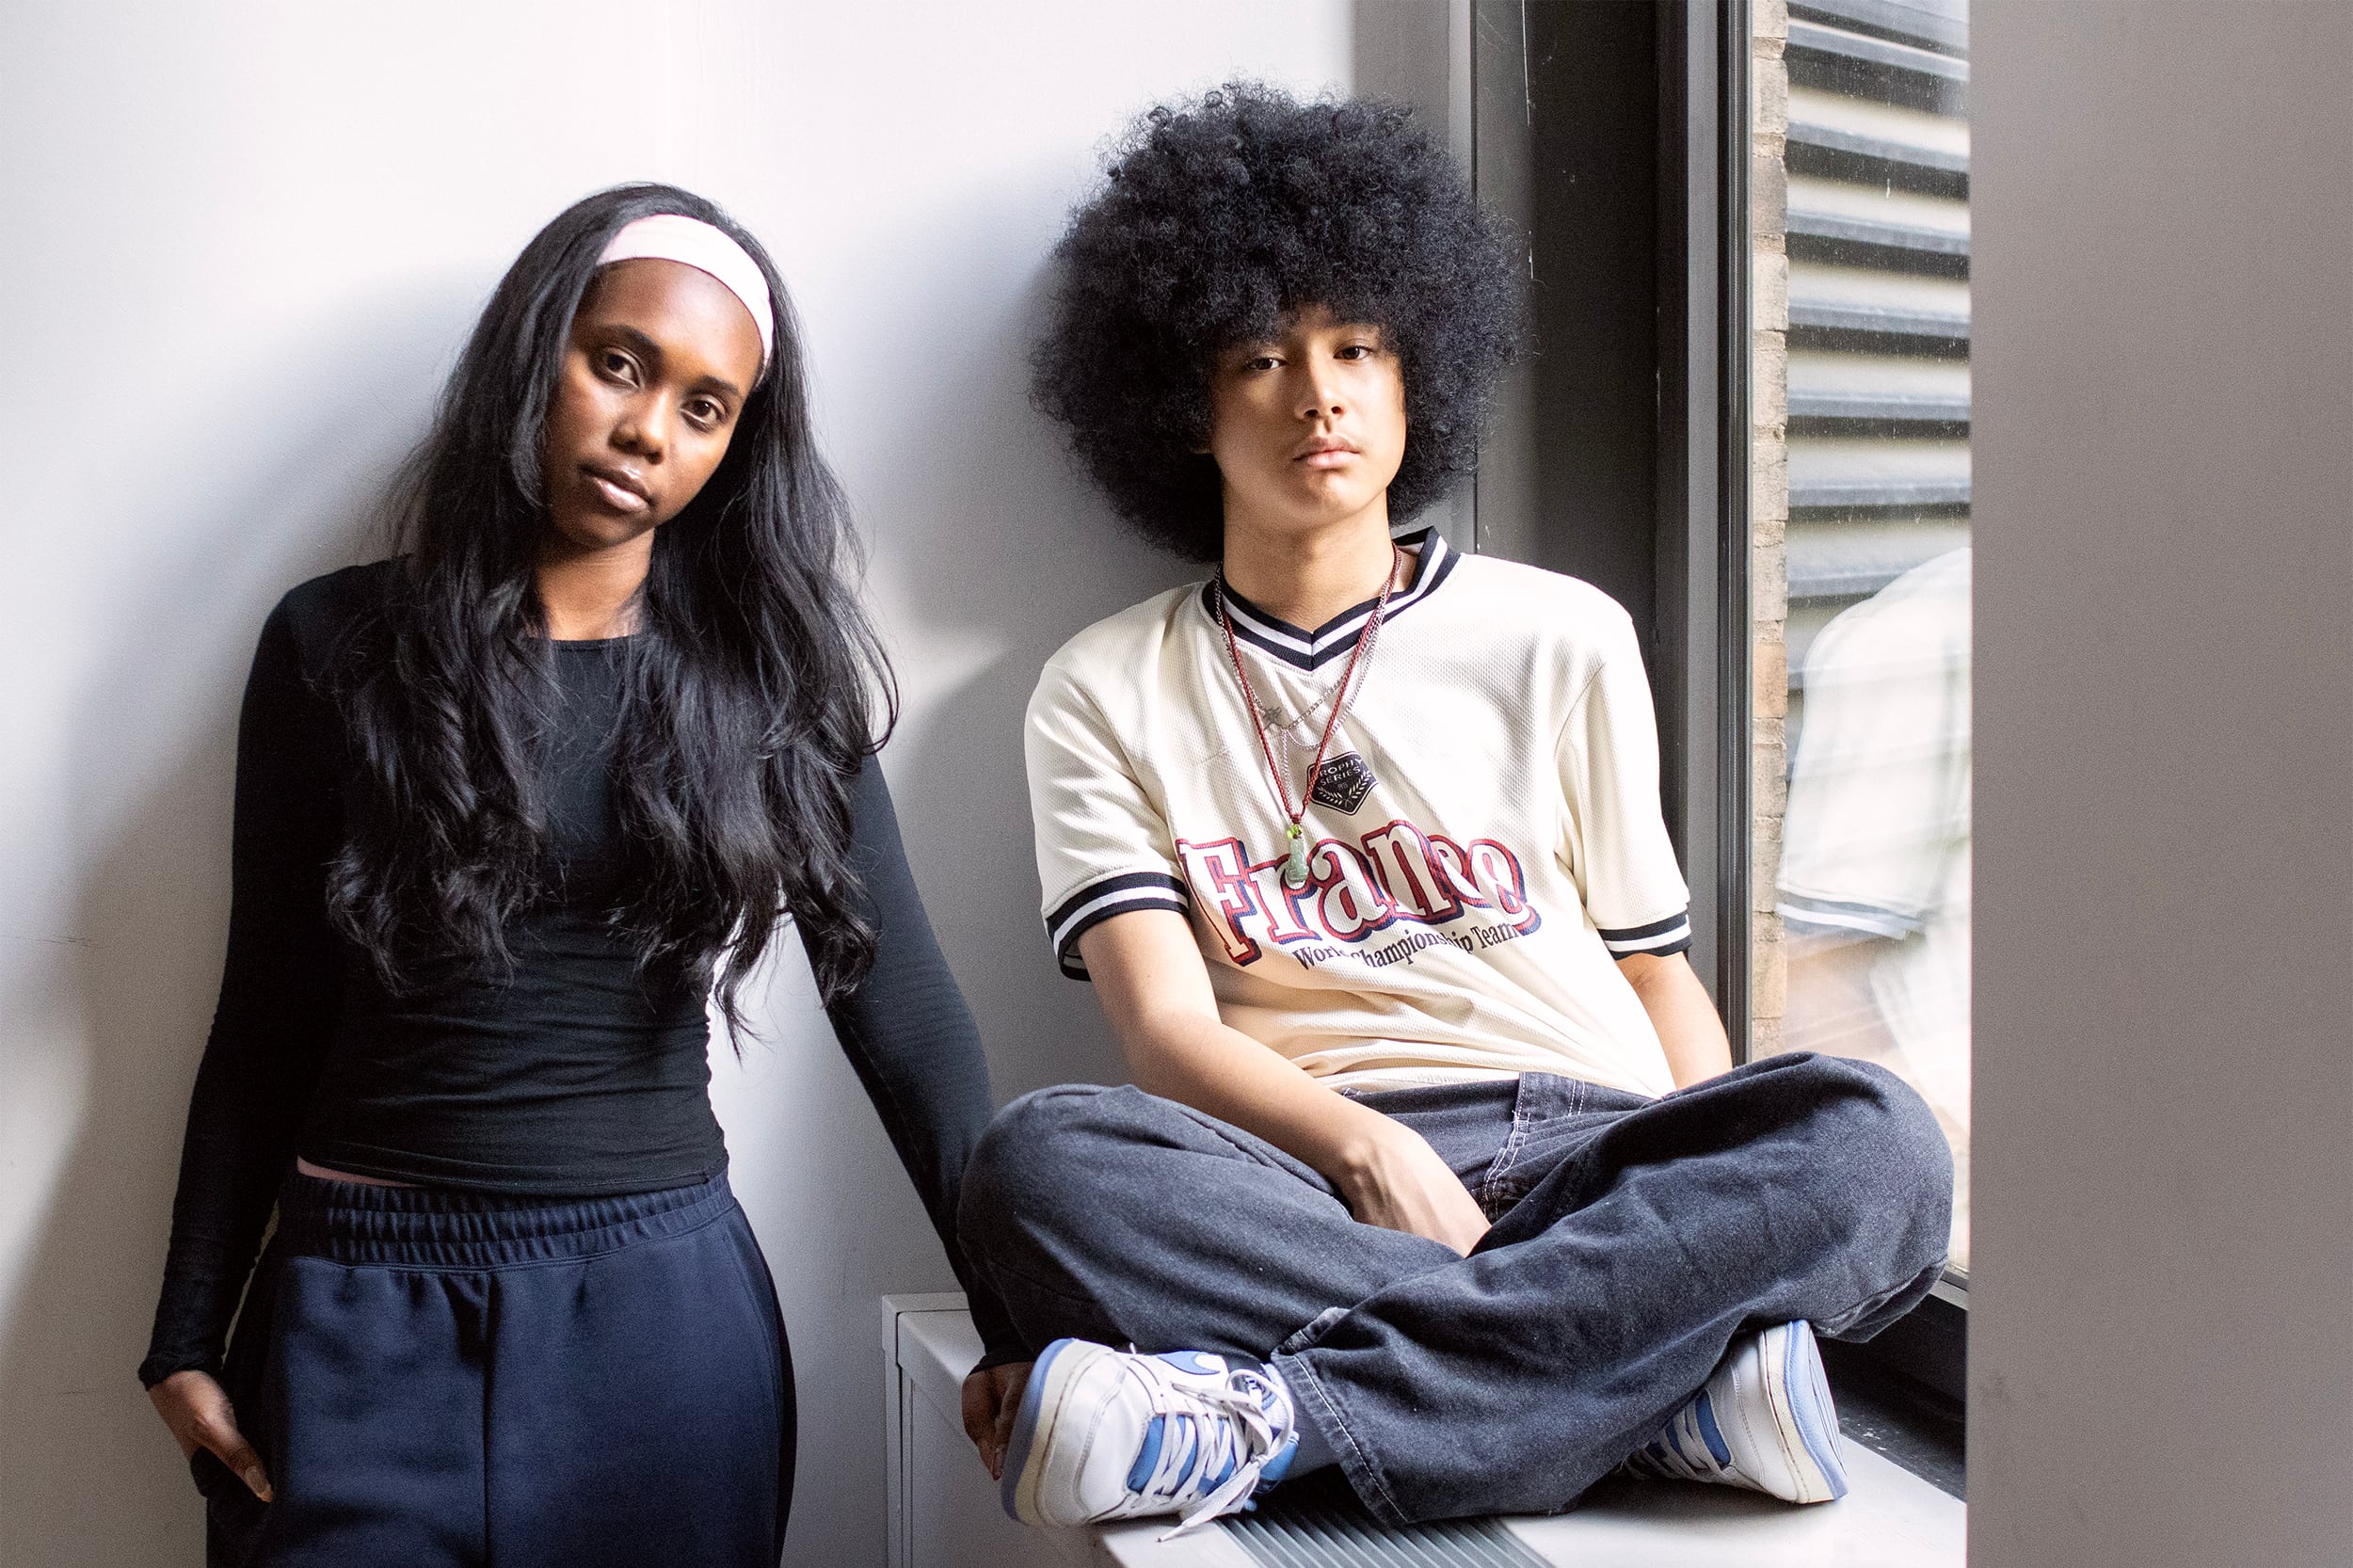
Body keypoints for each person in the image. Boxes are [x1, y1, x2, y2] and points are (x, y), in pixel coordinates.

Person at [953, 87, 1953, 1535]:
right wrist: (1368, 1148)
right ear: (1183, 402)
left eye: (1359, 346)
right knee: (1035, 1169)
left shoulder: (1563, 634)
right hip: (1300, 1179)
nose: (1322, 393)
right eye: (1263, 355)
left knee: (1881, 1141)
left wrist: (1680, 1179)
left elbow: (1650, 967)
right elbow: (1166, 1035)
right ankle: (1651, 1390)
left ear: (1421, 372)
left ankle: (1278, 1417)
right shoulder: (1102, 688)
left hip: (1593, 1157)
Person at [138, 184, 1017, 1567]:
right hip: (355, 1312)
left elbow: (900, 1011)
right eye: (619, 362)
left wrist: (1017, 1317)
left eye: (704, 407)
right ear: (537, 345)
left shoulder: (771, 686)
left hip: (658, 1325)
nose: (647, 429)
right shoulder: (333, 644)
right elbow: (268, 1008)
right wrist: (188, 1328)